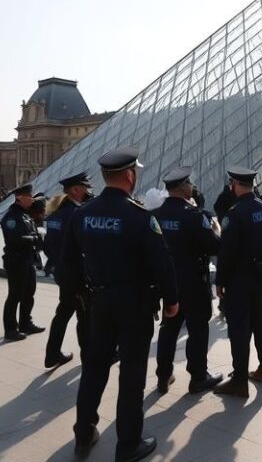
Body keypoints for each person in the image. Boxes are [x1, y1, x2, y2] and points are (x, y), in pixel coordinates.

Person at [60, 146, 178, 462]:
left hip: (98, 301)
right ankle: (128, 444)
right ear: (129, 175)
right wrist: (172, 299)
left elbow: (67, 262)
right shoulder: (139, 215)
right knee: (132, 373)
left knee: (94, 368)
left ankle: (84, 433)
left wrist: (80, 294)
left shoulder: (82, 214)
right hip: (135, 304)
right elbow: (162, 262)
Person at [153, 166, 222, 394]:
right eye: (190, 184)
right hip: (194, 281)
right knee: (198, 328)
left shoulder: (156, 215)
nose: (192, 187)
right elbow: (215, 246)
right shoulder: (193, 216)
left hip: (169, 283)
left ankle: (163, 375)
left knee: (169, 328)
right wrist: (216, 228)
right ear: (182, 187)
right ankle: (198, 376)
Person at [213, 166, 262, 398]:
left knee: (239, 327)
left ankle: (240, 380)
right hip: (258, 276)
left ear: (234, 184)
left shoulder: (235, 213)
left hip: (238, 278)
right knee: (260, 319)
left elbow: (227, 251)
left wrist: (220, 280)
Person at [43, 172, 92, 369]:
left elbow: (47, 245)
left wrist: (57, 263)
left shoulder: (55, 212)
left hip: (62, 272)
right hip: (77, 275)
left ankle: (52, 354)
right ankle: (89, 357)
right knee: (85, 317)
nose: (87, 192)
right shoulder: (76, 213)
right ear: (75, 189)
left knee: (63, 313)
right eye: (84, 188)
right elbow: (83, 248)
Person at [0, 183, 46, 342]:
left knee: (29, 293)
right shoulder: (11, 217)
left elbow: (33, 232)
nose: (32, 199)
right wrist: (36, 238)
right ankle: (10, 329)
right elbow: (14, 239)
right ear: (20, 197)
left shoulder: (25, 215)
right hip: (16, 261)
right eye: (29, 196)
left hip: (27, 259)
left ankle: (26, 323)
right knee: (15, 295)